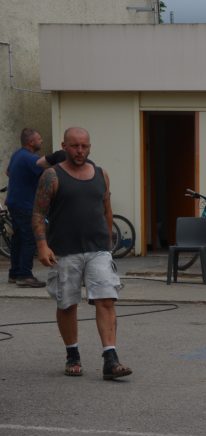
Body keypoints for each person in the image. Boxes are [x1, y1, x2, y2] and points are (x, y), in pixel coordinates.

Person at [32, 127, 132, 380]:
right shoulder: (51, 176)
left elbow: (106, 208)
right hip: (65, 251)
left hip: (98, 249)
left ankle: (111, 358)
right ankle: (72, 354)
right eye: (75, 146)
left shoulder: (101, 174)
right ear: (64, 146)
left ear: (90, 147)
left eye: (84, 146)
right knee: (67, 304)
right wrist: (42, 245)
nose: (80, 151)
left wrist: (108, 241)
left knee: (106, 300)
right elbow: (38, 213)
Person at [5, 128, 46, 287]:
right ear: (31, 142)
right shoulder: (32, 159)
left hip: (14, 202)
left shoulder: (17, 154)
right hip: (25, 204)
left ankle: (14, 273)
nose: (41, 141)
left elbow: (8, 172)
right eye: (39, 139)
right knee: (29, 238)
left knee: (18, 239)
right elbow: (47, 176)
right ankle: (25, 275)